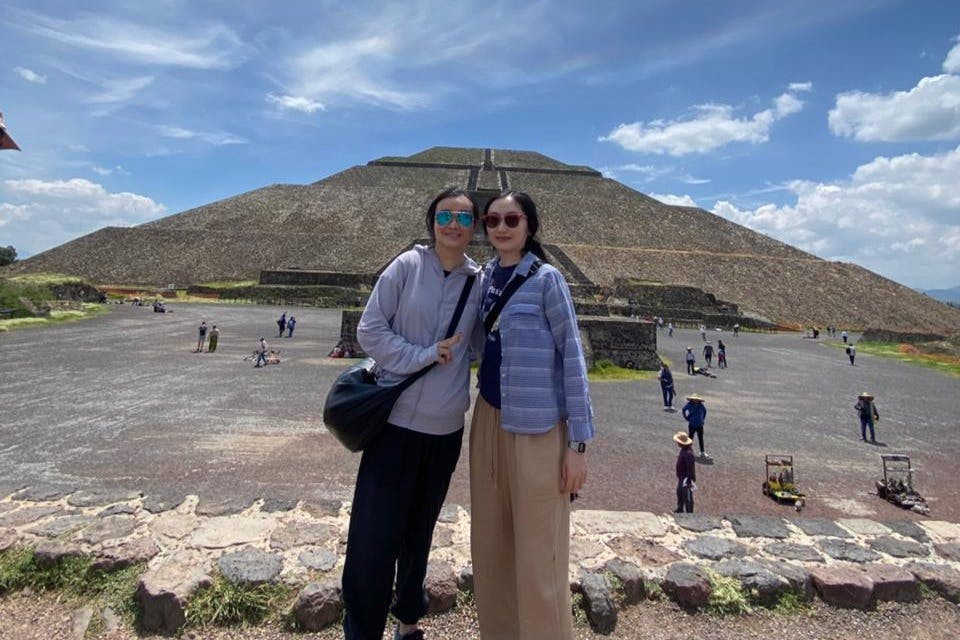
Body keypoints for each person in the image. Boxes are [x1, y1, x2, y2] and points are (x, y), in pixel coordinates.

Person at [342, 188, 483, 640]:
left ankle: (408, 621)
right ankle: (362, 631)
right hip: (395, 424)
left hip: (444, 430)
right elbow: (370, 330)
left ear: (474, 227)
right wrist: (422, 355)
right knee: (372, 537)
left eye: (464, 218)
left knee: (420, 531)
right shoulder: (406, 266)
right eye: (445, 215)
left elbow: (481, 345)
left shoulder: (479, 282)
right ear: (432, 221)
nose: (453, 224)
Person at [470, 190, 593, 640]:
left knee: (541, 554)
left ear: (529, 225)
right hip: (488, 421)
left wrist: (578, 444)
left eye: (512, 219)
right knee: (491, 545)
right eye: (493, 220)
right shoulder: (483, 278)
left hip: (538, 429)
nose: (501, 227)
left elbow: (573, 358)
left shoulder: (547, 280)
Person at [673, 431, 696, 513]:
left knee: (687, 496)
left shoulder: (688, 454)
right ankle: (680, 509)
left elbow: (690, 468)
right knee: (680, 493)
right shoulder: (685, 450)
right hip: (682, 477)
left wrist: (689, 480)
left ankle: (689, 512)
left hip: (686, 479)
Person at [682, 393, 709, 458]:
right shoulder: (689, 404)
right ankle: (688, 451)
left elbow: (705, 412)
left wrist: (702, 420)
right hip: (692, 425)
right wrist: (686, 418)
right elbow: (683, 409)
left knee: (701, 438)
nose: (695, 400)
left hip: (700, 425)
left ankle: (702, 452)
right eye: (694, 399)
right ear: (692, 399)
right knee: (690, 438)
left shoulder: (701, 405)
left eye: (696, 399)